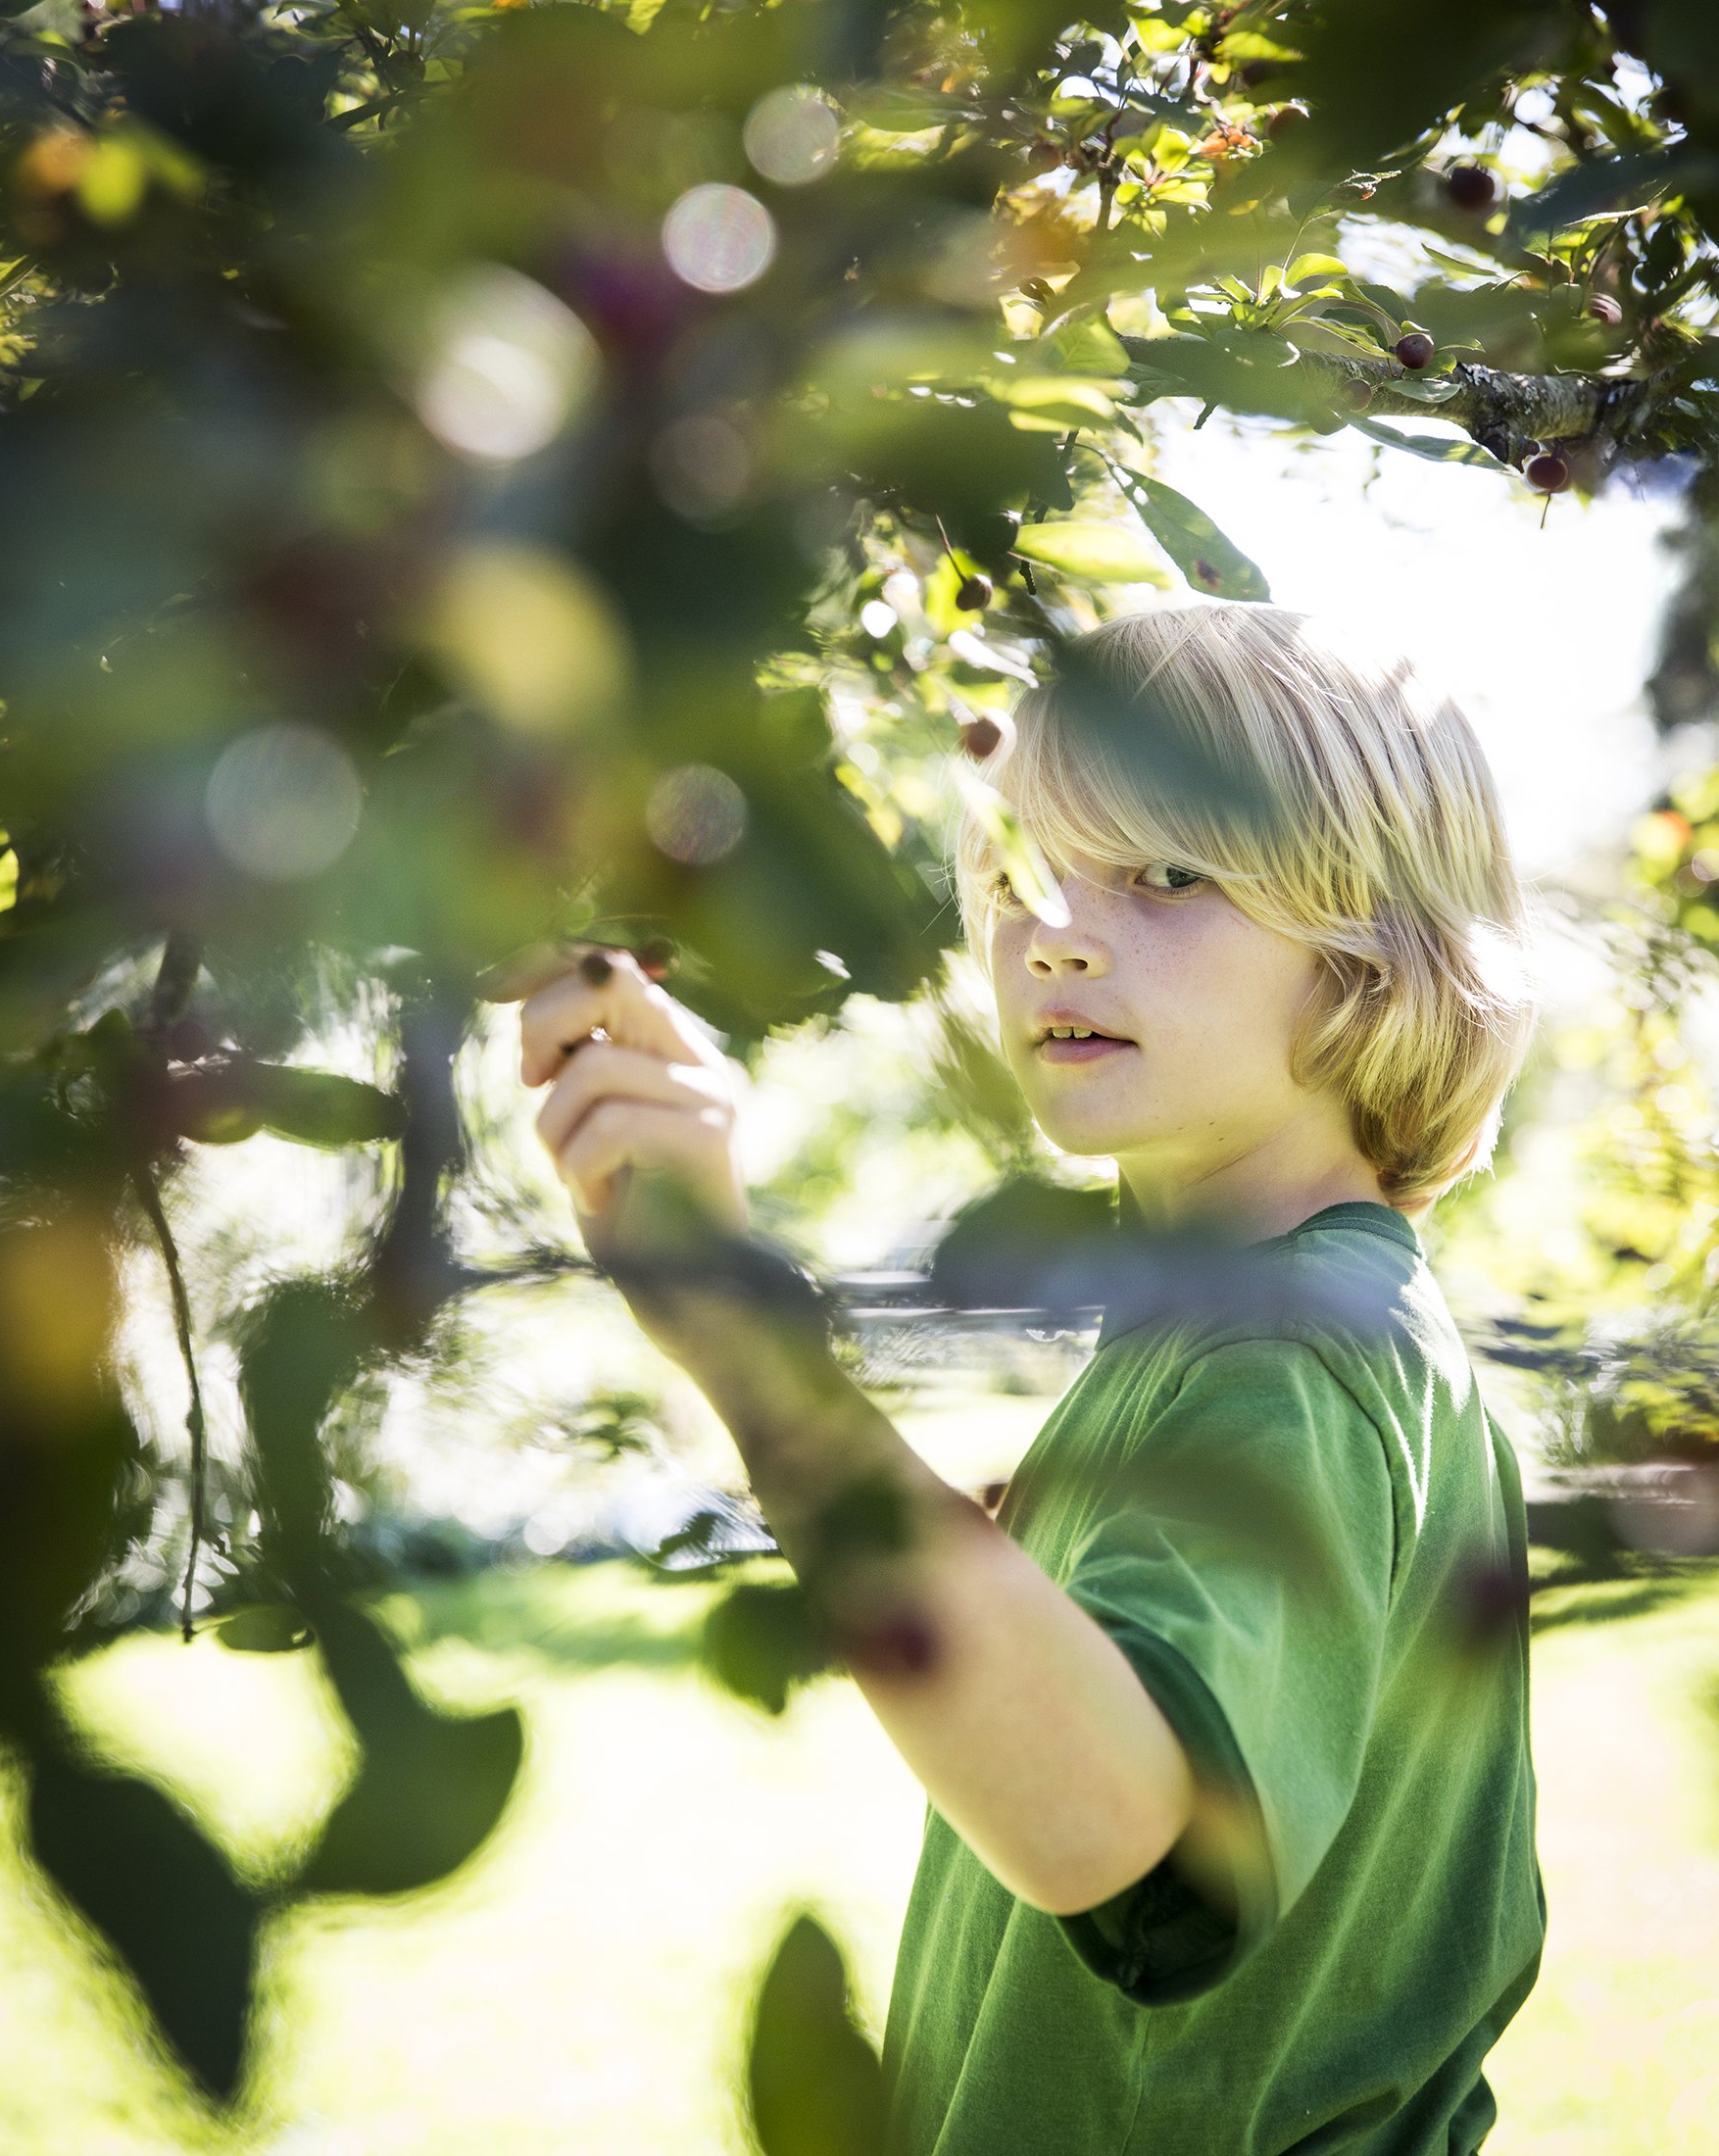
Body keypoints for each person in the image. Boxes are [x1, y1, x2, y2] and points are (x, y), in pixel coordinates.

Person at [489, 598, 1548, 2155]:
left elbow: (1134, 1848)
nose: (1051, 925)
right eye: (1015, 870)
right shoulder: (1241, 1331)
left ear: (1375, 954)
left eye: (1169, 873)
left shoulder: (1303, 1345)